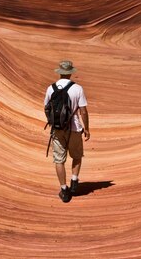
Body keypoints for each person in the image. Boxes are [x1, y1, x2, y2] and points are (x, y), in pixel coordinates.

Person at [44, 60, 90, 203]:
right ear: (71, 73)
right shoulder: (78, 89)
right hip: (75, 128)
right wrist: (87, 128)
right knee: (77, 155)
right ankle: (74, 181)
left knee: (59, 160)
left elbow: (46, 108)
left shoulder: (50, 89)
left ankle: (64, 190)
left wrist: (53, 122)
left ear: (60, 72)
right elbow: (83, 111)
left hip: (57, 129)